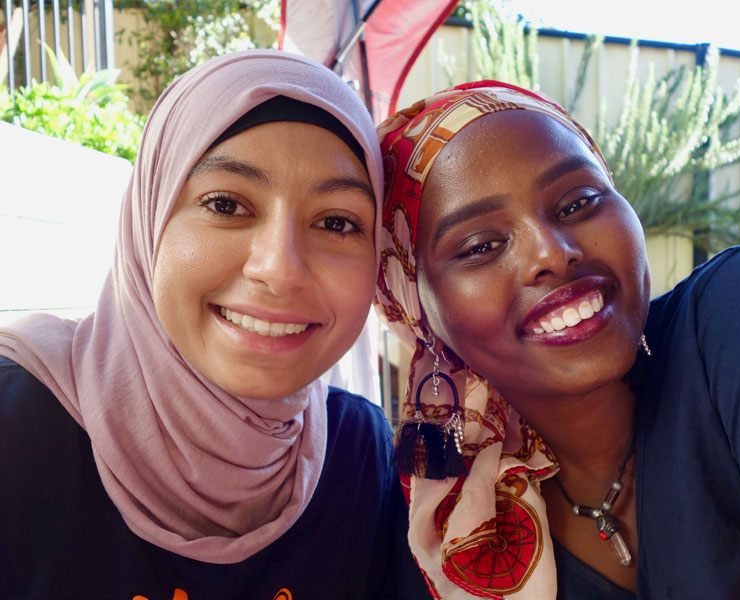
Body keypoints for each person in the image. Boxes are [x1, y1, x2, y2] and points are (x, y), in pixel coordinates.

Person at [0, 49, 430, 599]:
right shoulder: (18, 430)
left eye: (337, 221)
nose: (279, 269)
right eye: (226, 204)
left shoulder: (358, 455)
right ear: (150, 217)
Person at [373, 80, 740, 599]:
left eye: (577, 204)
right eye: (483, 245)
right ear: (421, 316)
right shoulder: (448, 531)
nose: (552, 253)